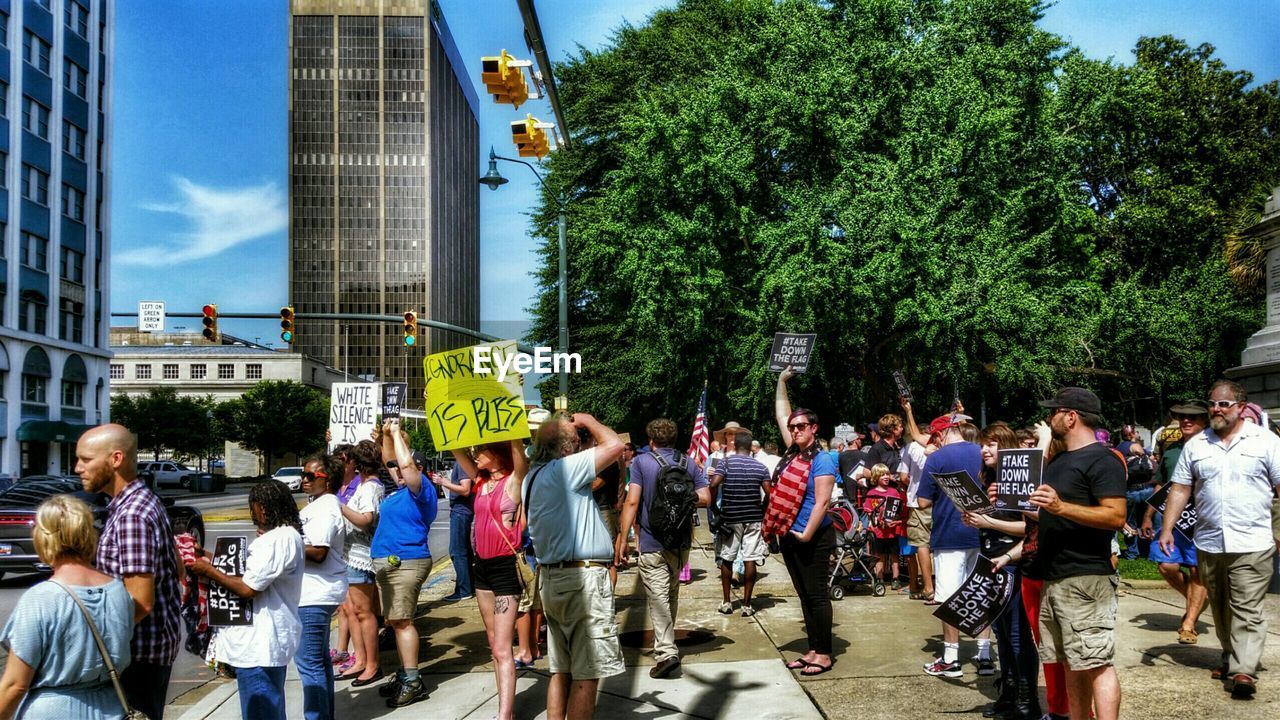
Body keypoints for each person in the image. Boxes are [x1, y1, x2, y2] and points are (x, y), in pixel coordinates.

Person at [1161, 380, 1280, 699]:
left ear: (1241, 407)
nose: (1216, 409)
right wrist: (1167, 528)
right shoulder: (1197, 445)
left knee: (1247, 606)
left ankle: (1244, 669)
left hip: (1253, 541)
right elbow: (1181, 489)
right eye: (1213, 403)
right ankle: (1231, 656)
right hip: (1209, 542)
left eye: (1224, 404)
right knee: (1222, 609)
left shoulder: (1265, 441)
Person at [1027, 387, 1126, 720]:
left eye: (1055, 411)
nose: (1049, 417)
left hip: (1086, 578)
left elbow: (1115, 516)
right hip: (1055, 577)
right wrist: (1006, 506)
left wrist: (1060, 505)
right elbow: (1053, 514)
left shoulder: (1103, 459)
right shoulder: (1061, 461)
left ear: (1071, 417)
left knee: (1097, 662)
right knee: (1071, 661)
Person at [75, 424, 182, 720]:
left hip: (137, 658)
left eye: (85, 459)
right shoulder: (134, 504)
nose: (77, 468)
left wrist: (93, 640)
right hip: (142, 654)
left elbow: (140, 601)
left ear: (116, 459)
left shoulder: (132, 514)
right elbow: (176, 565)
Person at [527, 412, 625, 720]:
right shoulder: (565, 470)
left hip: (553, 580)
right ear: (566, 447)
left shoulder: (533, 477)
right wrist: (590, 420)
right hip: (581, 580)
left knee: (562, 669)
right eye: (578, 440)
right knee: (588, 671)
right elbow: (615, 445)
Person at [0, 496, 134, 719]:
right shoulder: (118, 591)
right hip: (111, 708)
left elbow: (15, 685)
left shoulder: (40, 598)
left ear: (44, 539)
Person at [191, 481, 305, 720]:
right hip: (265, 643)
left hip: (259, 645)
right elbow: (249, 573)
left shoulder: (277, 539)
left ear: (264, 507)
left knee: (261, 712)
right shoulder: (286, 536)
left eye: (254, 507)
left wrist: (209, 571)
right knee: (270, 710)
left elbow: (248, 587)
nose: (253, 513)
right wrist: (209, 560)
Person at [615, 418, 711, 678]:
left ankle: (667, 653)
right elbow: (705, 497)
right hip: (681, 541)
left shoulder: (641, 463)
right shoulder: (688, 463)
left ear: (651, 441)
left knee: (658, 597)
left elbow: (633, 501)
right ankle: (667, 645)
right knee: (671, 593)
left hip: (651, 540)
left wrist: (623, 538)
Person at [451, 440, 528, 720]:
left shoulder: (513, 481)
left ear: (497, 453)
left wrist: (514, 435)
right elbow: (456, 450)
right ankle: (503, 709)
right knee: (493, 641)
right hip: (481, 567)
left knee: (502, 646)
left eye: (481, 450)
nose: (474, 454)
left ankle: (505, 715)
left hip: (505, 568)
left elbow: (520, 460)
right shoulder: (481, 481)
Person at [771, 367, 838, 677]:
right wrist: (782, 382)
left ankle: (823, 653)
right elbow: (782, 412)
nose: (795, 430)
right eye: (793, 427)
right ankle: (812, 648)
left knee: (817, 595)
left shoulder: (821, 458)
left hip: (812, 535)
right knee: (803, 595)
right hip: (790, 533)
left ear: (814, 428)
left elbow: (823, 502)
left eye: (801, 426)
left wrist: (805, 534)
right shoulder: (792, 453)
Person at [368, 420, 438, 708]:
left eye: (404, 467)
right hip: (392, 564)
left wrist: (397, 434)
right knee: (395, 622)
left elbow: (406, 467)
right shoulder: (399, 491)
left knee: (402, 621)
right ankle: (405, 672)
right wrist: (386, 435)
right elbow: (391, 462)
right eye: (394, 468)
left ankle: (412, 680)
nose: (397, 471)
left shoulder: (422, 490)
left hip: (407, 563)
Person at [917, 420, 994, 679]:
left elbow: (923, 501)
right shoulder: (983, 451)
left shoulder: (937, 458)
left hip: (950, 534)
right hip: (985, 532)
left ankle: (951, 657)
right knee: (981, 593)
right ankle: (984, 655)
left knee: (950, 598)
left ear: (940, 434)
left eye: (934, 438)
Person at [974, 424, 1038, 720]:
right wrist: (977, 515)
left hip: (1015, 562)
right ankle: (1009, 693)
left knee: (1017, 635)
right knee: (1000, 633)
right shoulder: (988, 477)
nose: (985, 450)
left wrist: (989, 522)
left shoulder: (1021, 479)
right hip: (991, 560)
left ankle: (1028, 700)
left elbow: (1030, 528)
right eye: (984, 444)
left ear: (1008, 448)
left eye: (993, 444)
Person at [1139, 400, 1209, 645]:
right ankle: (1196, 600)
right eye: (1181, 417)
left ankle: (1189, 623)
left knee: (1197, 570)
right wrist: (1147, 516)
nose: (1185, 421)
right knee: (1166, 566)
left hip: (1202, 522)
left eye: (1193, 418)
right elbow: (1161, 486)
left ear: (1205, 420)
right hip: (1172, 520)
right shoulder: (1171, 452)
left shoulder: (1214, 447)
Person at [296, 454, 348, 720]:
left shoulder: (326, 508)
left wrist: (283, 542)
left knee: (309, 663)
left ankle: (317, 716)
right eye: (304, 475)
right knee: (318, 661)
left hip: (314, 594)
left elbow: (318, 552)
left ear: (327, 482)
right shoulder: (317, 506)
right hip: (311, 591)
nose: (304, 480)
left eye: (310, 476)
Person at [334, 445, 384, 686]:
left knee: (364, 612)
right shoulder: (365, 486)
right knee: (353, 611)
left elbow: (366, 520)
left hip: (361, 557)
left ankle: (372, 664)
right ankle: (360, 659)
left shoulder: (372, 487)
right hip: (350, 555)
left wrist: (340, 507)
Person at [708, 429, 772, 616]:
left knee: (727, 559)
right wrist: (763, 508)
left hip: (730, 518)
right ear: (751, 447)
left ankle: (727, 602)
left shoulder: (725, 463)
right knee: (750, 558)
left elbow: (713, 484)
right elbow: (770, 493)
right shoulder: (760, 467)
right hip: (753, 518)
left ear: (734, 445)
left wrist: (714, 508)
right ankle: (747, 604)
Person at [898, 399, 936, 601]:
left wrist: (911, 484)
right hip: (939, 501)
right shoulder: (940, 446)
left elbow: (903, 477)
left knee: (922, 544)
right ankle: (943, 585)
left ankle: (927, 586)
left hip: (916, 500)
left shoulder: (910, 448)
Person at [438, 459, 476, 602]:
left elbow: (465, 489)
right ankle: (467, 586)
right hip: (462, 510)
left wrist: (444, 482)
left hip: (461, 511)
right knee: (463, 550)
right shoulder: (463, 463)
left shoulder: (462, 463)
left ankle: (464, 590)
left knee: (457, 551)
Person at [862, 464, 905, 590]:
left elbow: (899, 511)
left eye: (887, 474)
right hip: (878, 531)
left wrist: (895, 520)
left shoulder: (894, 492)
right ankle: (879, 578)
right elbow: (868, 511)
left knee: (894, 554)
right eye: (882, 475)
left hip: (892, 530)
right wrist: (877, 521)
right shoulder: (871, 493)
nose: (886, 477)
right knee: (879, 554)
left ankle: (895, 578)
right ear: (876, 477)